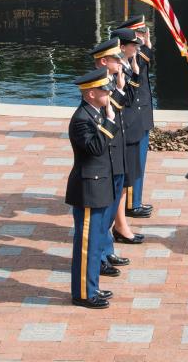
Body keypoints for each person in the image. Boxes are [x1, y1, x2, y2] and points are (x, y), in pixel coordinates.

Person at [65, 69, 122, 308]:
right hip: (88, 188)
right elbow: (96, 148)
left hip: (99, 185)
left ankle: (92, 287)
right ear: (90, 94)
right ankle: (83, 293)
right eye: (103, 90)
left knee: (97, 239)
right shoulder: (81, 119)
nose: (108, 93)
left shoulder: (94, 112)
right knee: (87, 243)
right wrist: (109, 120)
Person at [90, 38, 138, 265]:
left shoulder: (111, 80)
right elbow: (115, 107)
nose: (120, 62)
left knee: (113, 204)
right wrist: (118, 86)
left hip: (117, 150)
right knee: (104, 210)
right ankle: (100, 255)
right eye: (115, 59)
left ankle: (107, 250)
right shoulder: (97, 86)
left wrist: (121, 82)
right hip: (106, 155)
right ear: (103, 62)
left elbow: (126, 100)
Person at [113, 19, 154, 218]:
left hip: (141, 114)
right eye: (138, 35)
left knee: (139, 161)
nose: (141, 39)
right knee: (133, 162)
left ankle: (134, 200)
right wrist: (145, 49)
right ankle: (131, 203)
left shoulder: (138, 54)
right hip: (132, 116)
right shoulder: (124, 58)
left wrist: (146, 48)